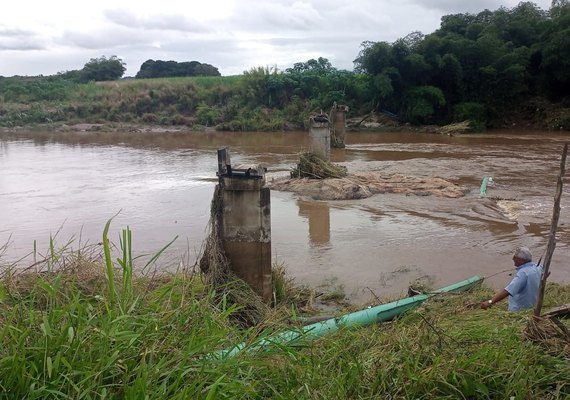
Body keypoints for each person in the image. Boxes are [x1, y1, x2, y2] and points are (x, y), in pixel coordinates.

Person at [481, 246, 542, 311]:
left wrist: (490, 302)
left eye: (515, 257)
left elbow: (508, 291)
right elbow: (546, 274)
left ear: (522, 261)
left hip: (520, 310)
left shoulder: (523, 273)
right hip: (533, 306)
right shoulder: (538, 267)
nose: (513, 259)